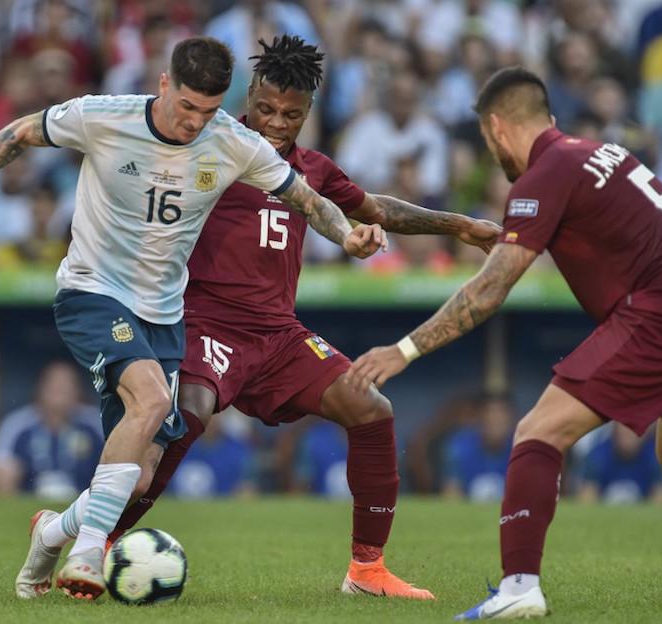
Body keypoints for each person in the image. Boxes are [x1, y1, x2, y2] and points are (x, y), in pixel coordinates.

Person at [0, 36, 385, 600]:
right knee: (154, 400)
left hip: (162, 314)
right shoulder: (104, 116)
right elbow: (16, 135)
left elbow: (308, 200)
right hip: (94, 293)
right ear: (164, 84)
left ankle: (52, 532)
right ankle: (88, 553)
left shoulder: (233, 142)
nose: (194, 123)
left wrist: (347, 234)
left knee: (140, 473)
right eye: (186, 106)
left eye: (208, 111)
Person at [106, 35, 501, 600]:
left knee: (371, 407)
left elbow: (376, 209)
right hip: (207, 323)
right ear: (249, 97)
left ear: (309, 112)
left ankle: (367, 570)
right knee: (187, 413)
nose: (275, 123)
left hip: (278, 336)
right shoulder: (212, 145)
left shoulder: (313, 169)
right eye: (265, 108)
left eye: (290, 115)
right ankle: (97, 541)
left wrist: (458, 225)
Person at [349, 66, 662, 619]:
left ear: (497, 128)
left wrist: (402, 350)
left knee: (538, 431)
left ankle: (520, 588)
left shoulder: (544, 175)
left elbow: (488, 291)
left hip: (660, 309)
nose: (491, 151)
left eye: (486, 139)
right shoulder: (602, 153)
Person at [0, 361, 102, 498]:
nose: (60, 392)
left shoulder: (96, 423)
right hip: (30, 504)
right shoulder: (17, 424)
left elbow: (115, 465)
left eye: (66, 386)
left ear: (78, 391)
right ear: (41, 389)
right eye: (54, 386)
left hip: (83, 503)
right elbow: (2, 471)